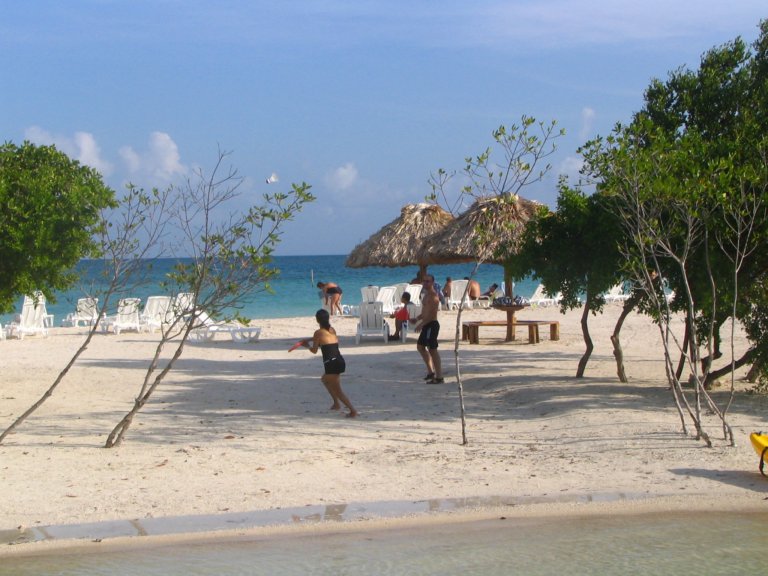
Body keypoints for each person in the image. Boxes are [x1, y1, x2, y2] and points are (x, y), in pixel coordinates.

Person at [302, 309, 357, 417]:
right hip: (339, 360)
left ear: (317, 320)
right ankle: (336, 404)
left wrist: (307, 345)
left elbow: (314, 350)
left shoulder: (318, 333)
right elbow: (323, 339)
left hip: (331, 363)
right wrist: (309, 339)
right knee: (324, 380)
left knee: (338, 390)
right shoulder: (332, 330)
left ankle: (353, 411)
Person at [414, 274, 443, 384]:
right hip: (426, 324)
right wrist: (417, 318)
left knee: (432, 349)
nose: (425, 283)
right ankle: (431, 372)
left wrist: (421, 324)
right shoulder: (426, 295)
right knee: (420, 347)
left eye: (428, 281)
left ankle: (439, 377)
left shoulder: (433, 296)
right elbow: (425, 312)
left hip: (432, 324)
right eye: (424, 281)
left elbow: (431, 315)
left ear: (432, 282)